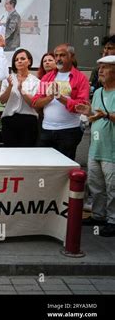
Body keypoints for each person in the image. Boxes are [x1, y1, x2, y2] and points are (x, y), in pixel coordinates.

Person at [75, 55, 115, 236]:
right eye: (99, 67)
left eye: (105, 68)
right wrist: (88, 112)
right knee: (95, 184)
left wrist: (105, 115)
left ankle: (113, 220)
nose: (100, 71)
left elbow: (104, 114)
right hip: (96, 146)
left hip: (112, 148)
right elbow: (96, 114)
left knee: (112, 186)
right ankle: (98, 215)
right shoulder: (98, 92)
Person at [32, 44, 89, 160]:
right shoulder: (47, 77)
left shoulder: (81, 78)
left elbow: (81, 106)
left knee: (65, 168)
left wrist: (60, 97)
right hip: (47, 129)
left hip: (69, 131)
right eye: (56, 55)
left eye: (62, 55)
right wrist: (49, 98)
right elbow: (35, 102)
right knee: (44, 164)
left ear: (72, 57)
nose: (58, 58)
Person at [0, 49, 40, 147]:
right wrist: (9, 87)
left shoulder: (36, 81)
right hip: (9, 120)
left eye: (22, 58)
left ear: (29, 61)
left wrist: (22, 91)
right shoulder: (8, 79)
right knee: (10, 153)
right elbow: (2, 100)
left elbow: (34, 104)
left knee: (27, 154)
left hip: (28, 121)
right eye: (16, 59)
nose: (19, 61)